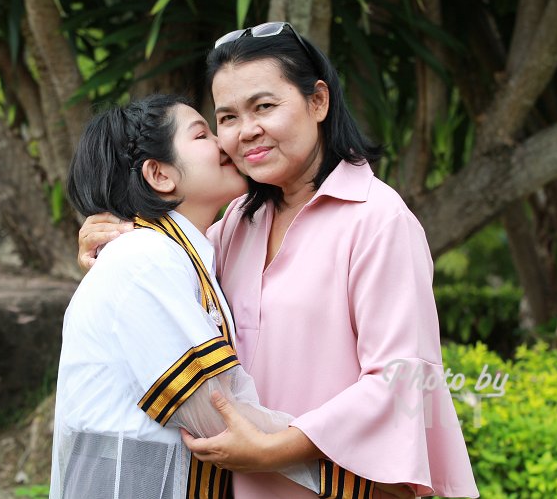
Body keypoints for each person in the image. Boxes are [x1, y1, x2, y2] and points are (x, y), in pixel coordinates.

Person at [77, 23, 479, 499]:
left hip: (338, 486)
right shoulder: (234, 226)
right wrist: (109, 240)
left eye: (264, 106)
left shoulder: (378, 220)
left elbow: (404, 379)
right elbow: (162, 291)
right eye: (226, 117)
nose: (246, 131)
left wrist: (278, 449)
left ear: (318, 102)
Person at [50, 94, 376, 499]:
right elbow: (215, 411)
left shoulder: (188, 255)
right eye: (202, 134)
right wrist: (357, 479)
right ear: (160, 175)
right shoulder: (145, 258)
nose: (227, 142)